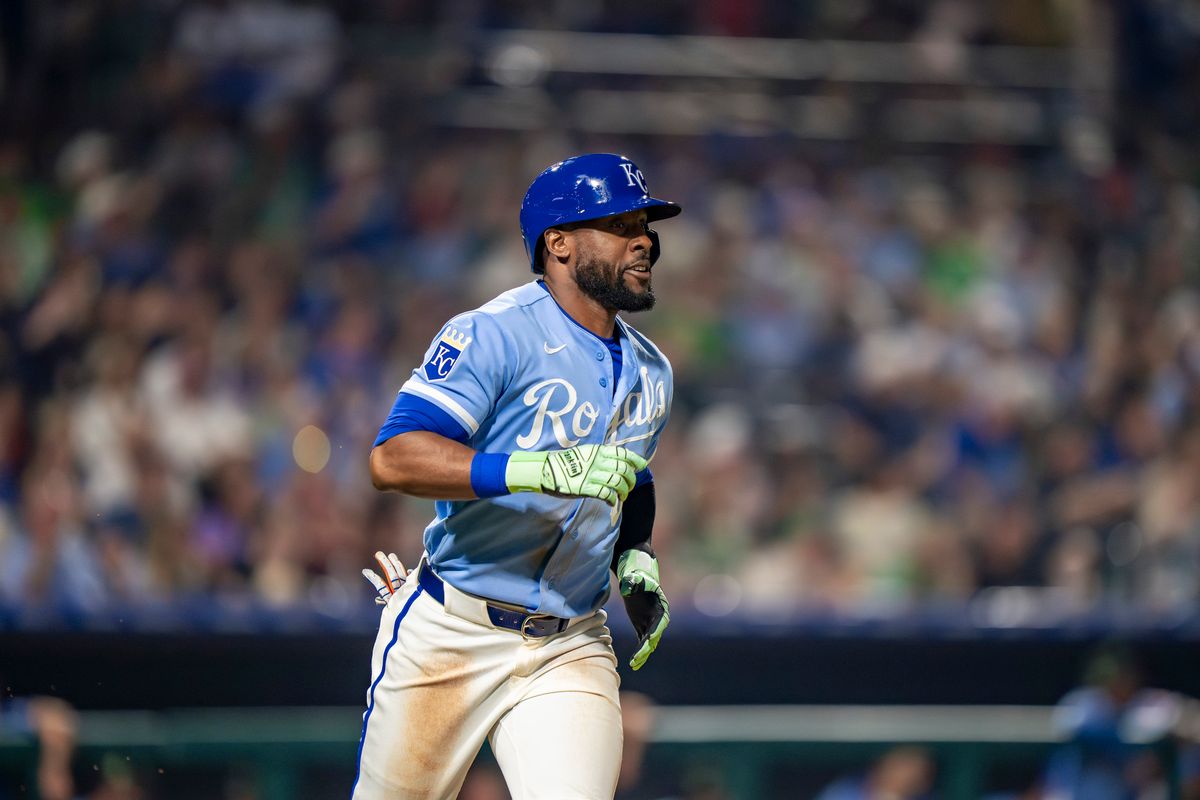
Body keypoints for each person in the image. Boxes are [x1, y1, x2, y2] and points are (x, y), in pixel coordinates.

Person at [353, 153, 679, 799]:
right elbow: (393, 458)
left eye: (645, 227)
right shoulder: (492, 333)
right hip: (453, 628)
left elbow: (629, 476)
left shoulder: (653, 371)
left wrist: (634, 555)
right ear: (558, 244)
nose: (643, 241)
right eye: (619, 225)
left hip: (570, 643)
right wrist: (537, 469)